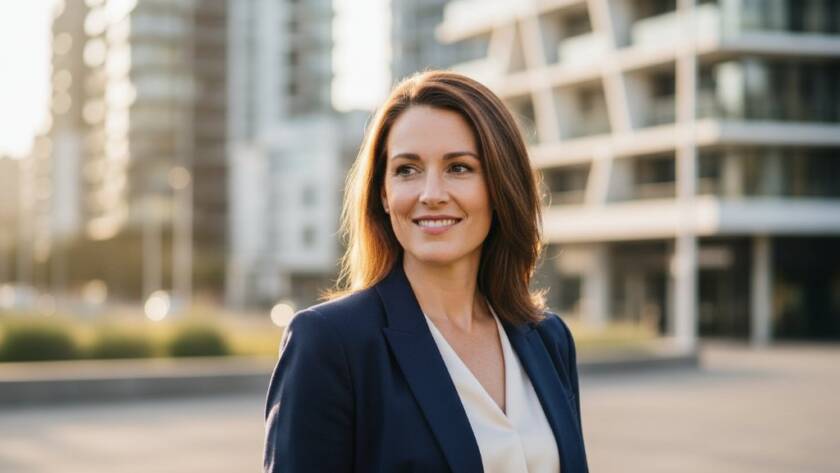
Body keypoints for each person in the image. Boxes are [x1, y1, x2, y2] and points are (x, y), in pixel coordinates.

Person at [264, 70, 589, 473]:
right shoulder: (331, 344)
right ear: (383, 193)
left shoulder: (548, 338)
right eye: (407, 170)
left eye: (459, 168)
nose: (431, 194)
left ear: (501, 184)